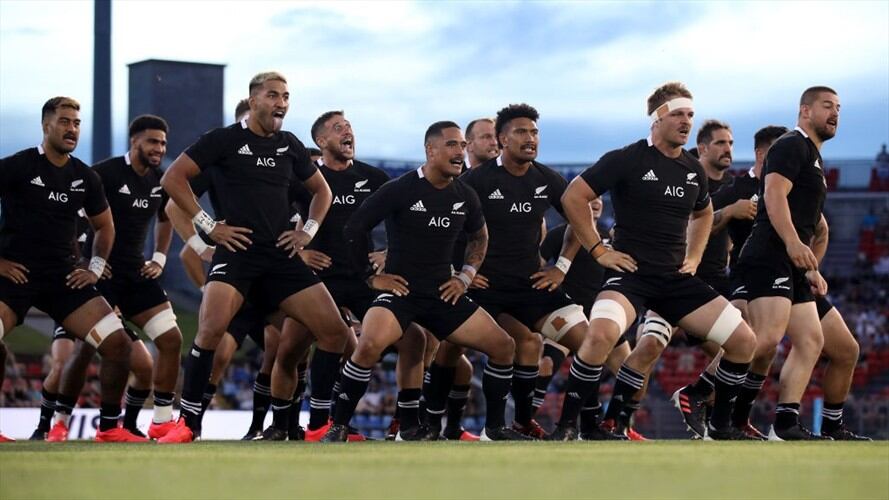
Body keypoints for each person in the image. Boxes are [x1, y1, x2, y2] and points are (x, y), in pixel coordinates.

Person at [550, 82, 757, 441]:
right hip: (630, 276)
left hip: (675, 280)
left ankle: (721, 427)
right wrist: (599, 250)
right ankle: (568, 426)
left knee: (744, 342)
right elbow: (574, 197)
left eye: (690, 115)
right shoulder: (627, 158)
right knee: (599, 336)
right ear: (657, 117)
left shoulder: (693, 169)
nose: (686, 121)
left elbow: (704, 213)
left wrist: (693, 256)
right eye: (678, 114)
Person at [158, 71, 351, 443]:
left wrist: (306, 233)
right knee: (211, 331)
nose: (281, 102)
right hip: (238, 254)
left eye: (286, 96)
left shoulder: (289, 145)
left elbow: (321, 193)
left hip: (280, 258)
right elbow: (172, 181)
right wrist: (208, 227)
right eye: (274, 95)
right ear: (254, 99)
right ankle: (189, 424)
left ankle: (319, 424)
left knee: (334, 332)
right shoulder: (223, 141)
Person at [322, 121, 526, 442]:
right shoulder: (399, 189)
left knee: (503, 346)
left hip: (441, 292)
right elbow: (354, 229)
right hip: (401, 292)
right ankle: (338, 425)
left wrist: (465, 276)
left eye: (462, 145)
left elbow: (479, 238)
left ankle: (494, 428)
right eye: (452, 145)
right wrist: (372, 278)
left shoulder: (465, 194)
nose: (460, 152)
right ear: (431, 150)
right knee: (371, 344)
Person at [0, 96, 143, 442]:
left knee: (118, 344)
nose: (72, 129)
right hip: (15, 273)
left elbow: (105, 227)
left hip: (65, 277)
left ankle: (109, 428)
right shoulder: (19, 166)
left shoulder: (85, 177)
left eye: (77, 123)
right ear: (46, 125)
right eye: (64, 121)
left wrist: (94, 267)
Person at [453, 103, 588, 439]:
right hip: (487, 287)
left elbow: (580, 217)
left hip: (532, 284)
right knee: (517, 343)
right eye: (521, 132)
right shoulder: (477, 180)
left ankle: (567, 424)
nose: (530, 138)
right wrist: (463, 271)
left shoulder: (546, 178)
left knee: (589, 342)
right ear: (502, 139)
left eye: (534, 132)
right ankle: (492, 428)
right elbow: (448, 226)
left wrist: (562, 267)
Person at [46, 115, 183, 441]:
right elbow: (68, 218)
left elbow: (167, 218)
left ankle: (161, 421)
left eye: (163, 143)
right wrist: (84, 261)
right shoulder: (103, 174)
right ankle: (60, 423)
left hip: (135, 273)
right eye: (152, 141)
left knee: (172, 339)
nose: (159, 148)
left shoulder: (160, 180)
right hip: (100, 274)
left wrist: (159, 258)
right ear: (134, 141)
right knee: (86, 350)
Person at [732, 86, 838, 440]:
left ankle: (785, 423)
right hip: (770, 253)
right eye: (827, 106)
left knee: (810, 340)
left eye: (838, 107)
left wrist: (810, 266)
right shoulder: (792, 144)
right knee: (765, 340)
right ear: (805, 111)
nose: (835, 113)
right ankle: (704, 394)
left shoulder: (813, 156)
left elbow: (817, 226)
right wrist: (793, 242)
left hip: (789, 261)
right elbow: (773, 194)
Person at [672, 125, 786, 439]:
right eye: (721, 143)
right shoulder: (735, 189)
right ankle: (701, 400)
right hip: (707, 279)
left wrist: (811, 264)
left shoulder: (782, 188)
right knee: (751, 343)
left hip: (754, 276)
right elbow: (697, 223)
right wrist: (729, 213)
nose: (728, 148)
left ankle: (730, 419)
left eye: (731, 143)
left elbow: (819, 227)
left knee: (763, 348)